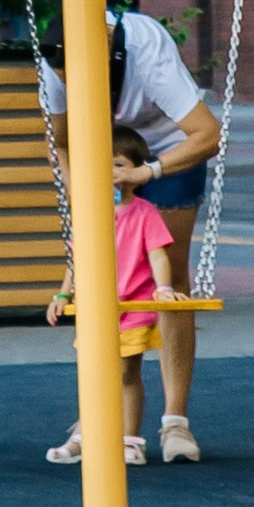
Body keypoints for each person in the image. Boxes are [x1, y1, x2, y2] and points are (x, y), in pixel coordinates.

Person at [36, 0, 221, 463]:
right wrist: (82, 200)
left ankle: (175, 421)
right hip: (107, 160)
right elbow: (64, 143)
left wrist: (150, 173)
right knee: (104, 277)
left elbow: (206, 134)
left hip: (168, 151)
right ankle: (99, 415)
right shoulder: (57, 62)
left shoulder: (145, 47)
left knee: (169, 278)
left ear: (109, 51)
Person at [45, 121, 181, 466]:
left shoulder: (144, 213)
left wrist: (163, 289)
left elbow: (157, 254)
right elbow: (77, 259)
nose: (110, 173)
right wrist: (62, 296)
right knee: (93, 372)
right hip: (95, 306)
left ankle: (130, 439)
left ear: (136, 171)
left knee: (125, 373)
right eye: (102, 164)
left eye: (118, 164)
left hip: (133, 305)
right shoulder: (92, 213)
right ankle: (86, 435)